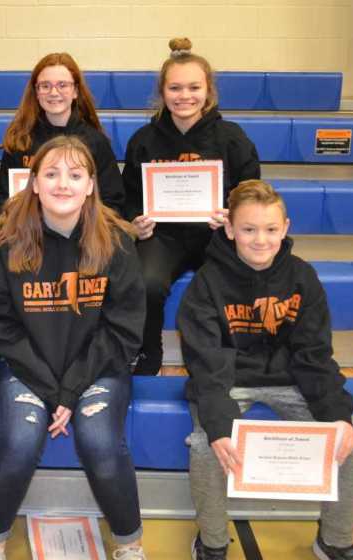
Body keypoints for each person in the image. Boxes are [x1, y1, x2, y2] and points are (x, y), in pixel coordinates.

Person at [178, 180, 353, 560]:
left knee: (352, 431)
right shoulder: (207, 284)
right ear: (230, 229)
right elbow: (206, 362)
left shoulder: (303, 277)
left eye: (270, 229)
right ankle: (213, 542)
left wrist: (336, 412)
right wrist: (219, 425)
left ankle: (334, 540)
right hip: (230, 379)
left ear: (285, 227)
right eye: (249, 229)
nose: (260, 240)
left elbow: (314, 354)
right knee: (205, 445)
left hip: (290, 380)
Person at [0, 136, 149, 560]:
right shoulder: (4, 244)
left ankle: (129, 546)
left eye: (75, 175)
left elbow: (122, 332)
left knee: (99, 439)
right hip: (26, 365)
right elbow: (0, 330)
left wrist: (69, 390)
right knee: (18, 441)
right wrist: (51, 387)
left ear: (91, 184)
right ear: (33, 183)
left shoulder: (119, 244)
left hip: (97, 368)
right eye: (51, 174)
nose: (63, 184)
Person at [122, 37, 260, 375]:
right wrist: (134, 223)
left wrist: (233, 217)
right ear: (162, 92)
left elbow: (252, 190)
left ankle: (232, 357)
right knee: (146, 281)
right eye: (175, 88)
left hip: (215, 234)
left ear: (208, 90)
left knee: (235, 279)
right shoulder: (144, 139)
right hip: (163, 236)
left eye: (194, 87)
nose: (185, 96)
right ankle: (146, 353)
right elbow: (128, 197)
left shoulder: (231, 137)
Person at [0, 52, 124, 222]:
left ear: (75, 91)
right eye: (45, 86)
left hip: (82, 236)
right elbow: (3, 199)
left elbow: (112, 202)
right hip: (29, 235)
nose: (53, 92)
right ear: (36, 92)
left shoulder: (96, 142)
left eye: (62, 85)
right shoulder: (21, 141)